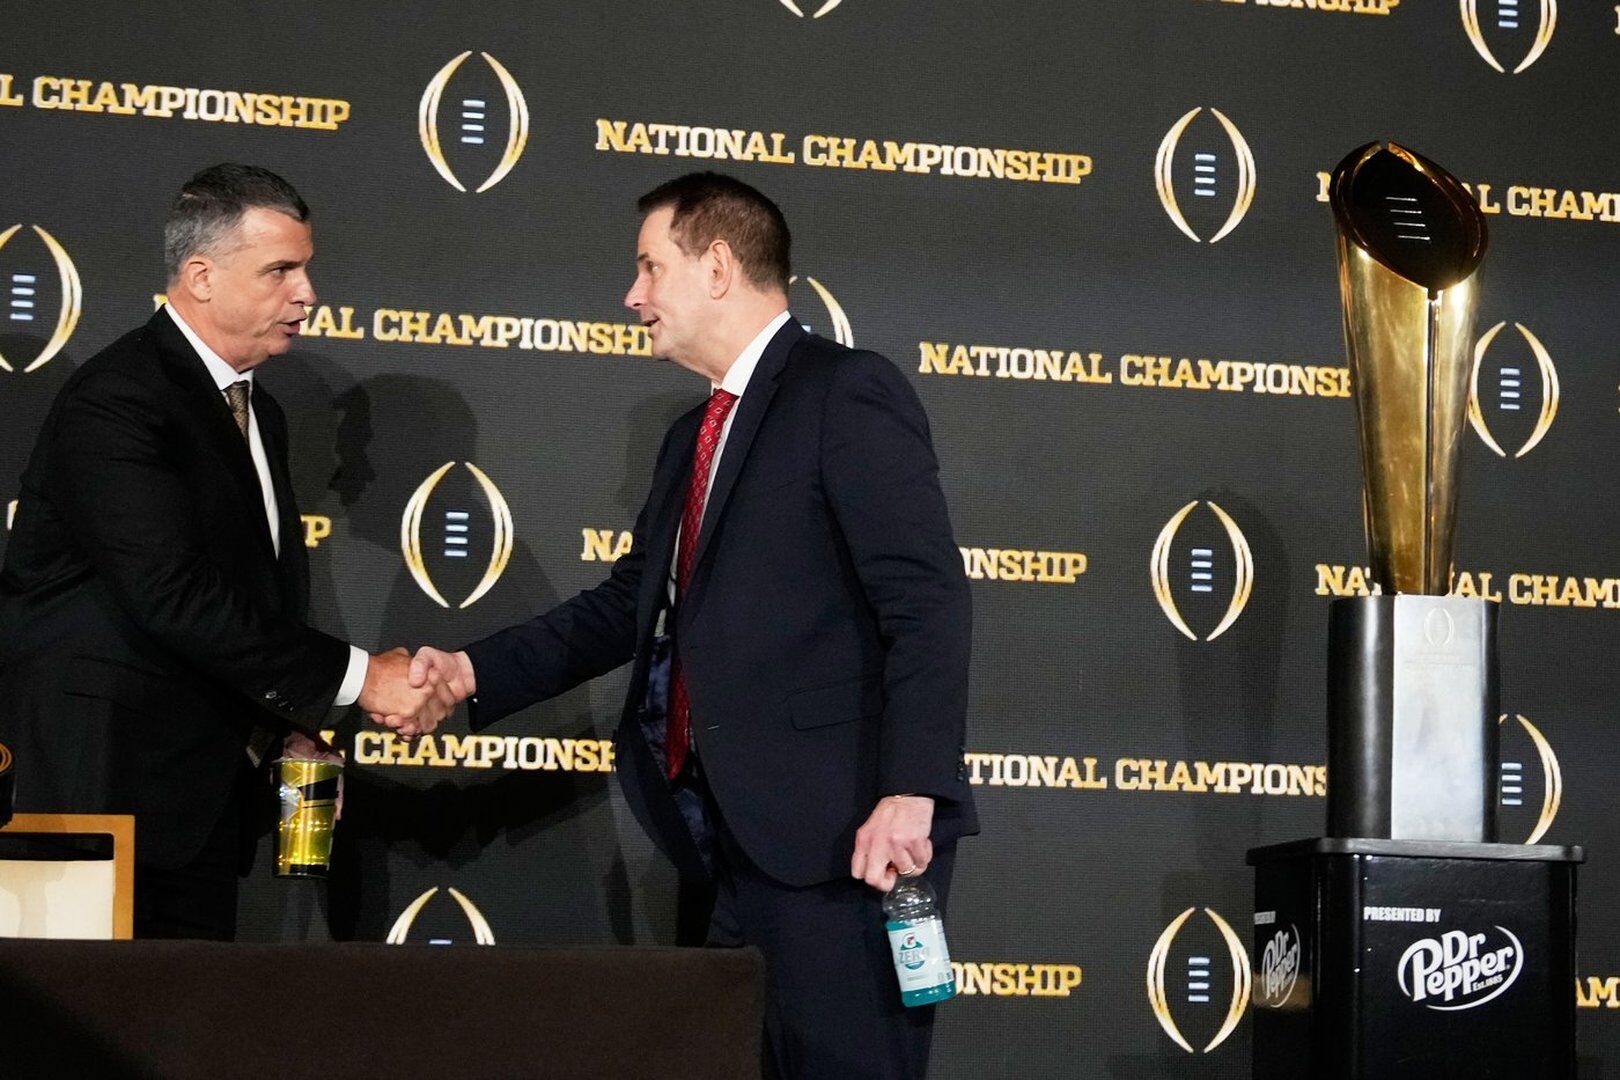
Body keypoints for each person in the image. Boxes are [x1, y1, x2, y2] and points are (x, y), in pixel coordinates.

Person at [405, 172, 975, 1079]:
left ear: (716, 267)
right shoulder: (692, 435)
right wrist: (472, 672)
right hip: (723, 843)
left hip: (851, 841)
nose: (632, 296)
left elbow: (926, 601)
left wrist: (911, 791)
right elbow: (629, 603)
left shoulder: (846, 391)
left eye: (649, 267)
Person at [0, 164, 451, 940]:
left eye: (305, 269)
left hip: (196, 804)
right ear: (201, 276)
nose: (307, 294)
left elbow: (244, 598)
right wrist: (361, 679)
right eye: (281, 270)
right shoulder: (120, 398)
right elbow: (173, 595)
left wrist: (291, 724)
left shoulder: (254, 409)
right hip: (97, 799)